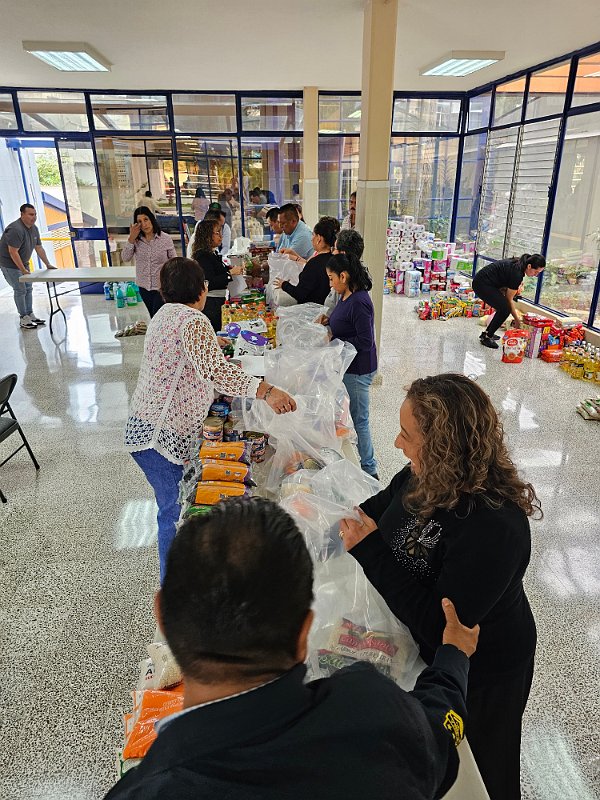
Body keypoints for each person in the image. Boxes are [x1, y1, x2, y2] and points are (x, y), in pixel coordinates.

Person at [104, 497, 479, 800]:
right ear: (305, 633)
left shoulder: (144, 789)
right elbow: (441, 727)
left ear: (163, 617)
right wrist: (453, 656)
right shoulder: (376, 711)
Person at [340, 373, 540, 800]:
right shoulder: (421, 476)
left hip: (482, 671)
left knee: (481, 768)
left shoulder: (495, 527)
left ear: (444, 446)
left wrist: (371, 550)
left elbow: (441, 628)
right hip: (423, 652)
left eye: (407, 435)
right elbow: (374, 512)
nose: (396, 443)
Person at [124, 259, 296, 581]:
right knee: (174, 511)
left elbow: (185, 355)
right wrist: (266, 391)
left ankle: (183, 580)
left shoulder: (165, 313)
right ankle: (173, 589)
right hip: (160, 435)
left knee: (176, 507)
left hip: (145, 426)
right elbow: (215, 372)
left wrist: (211, 344)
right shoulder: (193, 320)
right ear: (201, 289)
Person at [320, 253, 378, 478]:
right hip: (348, 367)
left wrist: (334, 339)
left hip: (358, 370)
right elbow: (346, 321)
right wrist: (329, 321)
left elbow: (365, 341)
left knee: (360, 420)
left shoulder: (360, 302)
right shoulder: (345, 295)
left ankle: (370, 470)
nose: (330, 283)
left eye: (331, 278)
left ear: (343, 276)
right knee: (355, 416)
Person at [472, 253, 545, 349]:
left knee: (503, 307)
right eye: (536, 271)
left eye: (539, 273)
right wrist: (517, 320)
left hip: (484, 281)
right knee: (505, 309)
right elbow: (508, 300)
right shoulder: (517, 274)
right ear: (529, 266)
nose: (536, 275)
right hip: (482, 284)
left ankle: (487, 333)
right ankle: (487, 337)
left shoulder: (519, 263)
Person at [0, 203, 55, 329]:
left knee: (29, 288)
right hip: (9, 264)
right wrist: (23, 270)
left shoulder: (34, 228)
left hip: (23, 263)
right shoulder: (16, 230)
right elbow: (13, 252)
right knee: (20, 289)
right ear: (22, 214)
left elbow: (39, 248)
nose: (34, 217)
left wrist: (48, 264)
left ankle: (30, 314)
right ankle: (23, 317)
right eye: (30, 214)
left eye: (35, 214)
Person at [190, 219, 244, 331]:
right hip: (211, 303)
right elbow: (209, 282)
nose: (221, 236)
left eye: (221, 233)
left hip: (218, 300)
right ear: (207, 235)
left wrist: (228, 269)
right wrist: (230, 273)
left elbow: (216, 271)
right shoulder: (202, 256)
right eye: (217, 233)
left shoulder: (212, 253)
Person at [122, 207, 176, 318]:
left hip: (161, 287)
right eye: (139, 221)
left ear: (151, 219)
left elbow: (174, 261)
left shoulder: (165, 238)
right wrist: (131, 238)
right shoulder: (135, 240)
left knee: (158, 316)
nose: (144, 224)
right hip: (144, 286)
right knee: (153, 316)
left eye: (146, 219)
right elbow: (125, 258)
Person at [273, 216, 338, 305]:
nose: (311, 238)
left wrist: (284, 284)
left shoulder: (314, 264)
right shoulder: (334, 261)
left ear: (319, 238)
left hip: (311, 309)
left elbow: (300, 294)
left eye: (313, 235)